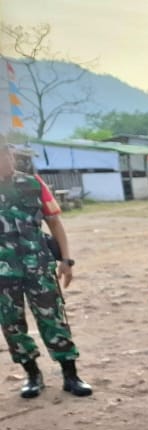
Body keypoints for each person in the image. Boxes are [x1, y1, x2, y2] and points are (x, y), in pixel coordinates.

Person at [0, 142, 92, 399]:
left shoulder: (32, 184)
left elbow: (54, 223)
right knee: (11, 323)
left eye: (7, 154)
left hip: (37, 264)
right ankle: (32, 375)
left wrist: (66, 259)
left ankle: (71, 375)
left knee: (53, 317)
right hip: (3, 273)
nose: (6, 160)